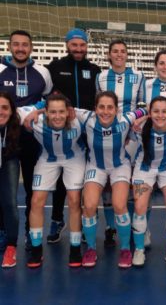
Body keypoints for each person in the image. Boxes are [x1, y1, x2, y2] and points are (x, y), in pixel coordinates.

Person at [45, 28, 101, 244]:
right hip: (62, 129)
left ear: (87, 46)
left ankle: (90, 218)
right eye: (74, 45)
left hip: (87, 131)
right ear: (67, 45)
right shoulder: (55, 68)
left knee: (89, 176)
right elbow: (46, 95)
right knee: (61, 177)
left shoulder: (94, 70)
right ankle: (57, 219)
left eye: (82, 45)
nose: (79, 49)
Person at [79, 91, 147, 268]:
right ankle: (91, 249)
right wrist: (37, 111)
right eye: (101, 107)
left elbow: (146, 109)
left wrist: (142, 118)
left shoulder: (125, 120)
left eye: (110, 107)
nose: (105, 111)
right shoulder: (87, 118)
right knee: (90, 206)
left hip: (119, 166)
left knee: (119, 205)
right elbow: (65, 108)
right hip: (95, 166)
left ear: (117, 110)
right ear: (95, 109)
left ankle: (125, 249)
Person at [0, 30, 52, 250]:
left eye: (25, 45)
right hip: (6, 142)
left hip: (33, 140)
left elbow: (50, 99)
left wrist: (36, 110)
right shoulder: (1, 69)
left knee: (33, 191)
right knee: (8, 195)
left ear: (31, 48)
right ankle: (6, 233)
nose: (20, 48)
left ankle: (32, 233)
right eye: (16, 44)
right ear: (10, 46)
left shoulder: (42, 72)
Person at [20, 94, 86, 268]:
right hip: (47, 158)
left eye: (61, 112)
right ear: (46, 113)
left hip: (74, 158)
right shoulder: (36, 119)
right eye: (53, 112)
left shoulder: (78, 117)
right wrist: (36, 110)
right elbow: (11, 112)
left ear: (69, 111)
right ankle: (36, 250)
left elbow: (105, 116)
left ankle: (75, 248)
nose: (57, 116)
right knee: (36, 201)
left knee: (74, 200)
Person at [96, 40, 144, 247]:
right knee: (108, 183)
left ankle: (133, 226)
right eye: (115, 51)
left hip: (131, 134)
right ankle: (110, 228)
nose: (119, 54)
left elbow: (142, 105)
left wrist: (132, 126)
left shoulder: (138, 76)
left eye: (123, 51)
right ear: (109, 55)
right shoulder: (101, 77)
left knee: (131, 181)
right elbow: (98, 106)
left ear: (127, 54)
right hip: (107, 133)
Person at [131, 96, 166, 267]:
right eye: (156, 111)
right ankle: (139, 250)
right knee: (139, 206)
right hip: (144, 169)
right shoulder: (138, 128)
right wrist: (141, 117)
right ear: (150, 113)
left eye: (164, 112)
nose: (160, 115)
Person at [0, 92, 21, 268]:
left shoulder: (17, 127)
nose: (1, 111)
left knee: (10, 203)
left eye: (5, 108)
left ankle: (11, 246)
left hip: (9, 162)